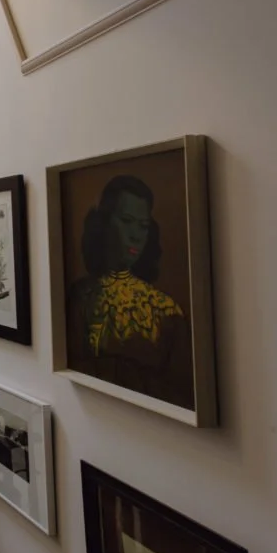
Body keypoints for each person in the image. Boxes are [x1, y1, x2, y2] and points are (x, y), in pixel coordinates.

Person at [66, 175, 193, 408]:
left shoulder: (167, 310)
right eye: (126, 220)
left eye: (143, 226)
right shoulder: (80, 295)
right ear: (104, 223)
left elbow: (183, 393)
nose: (136, 234)